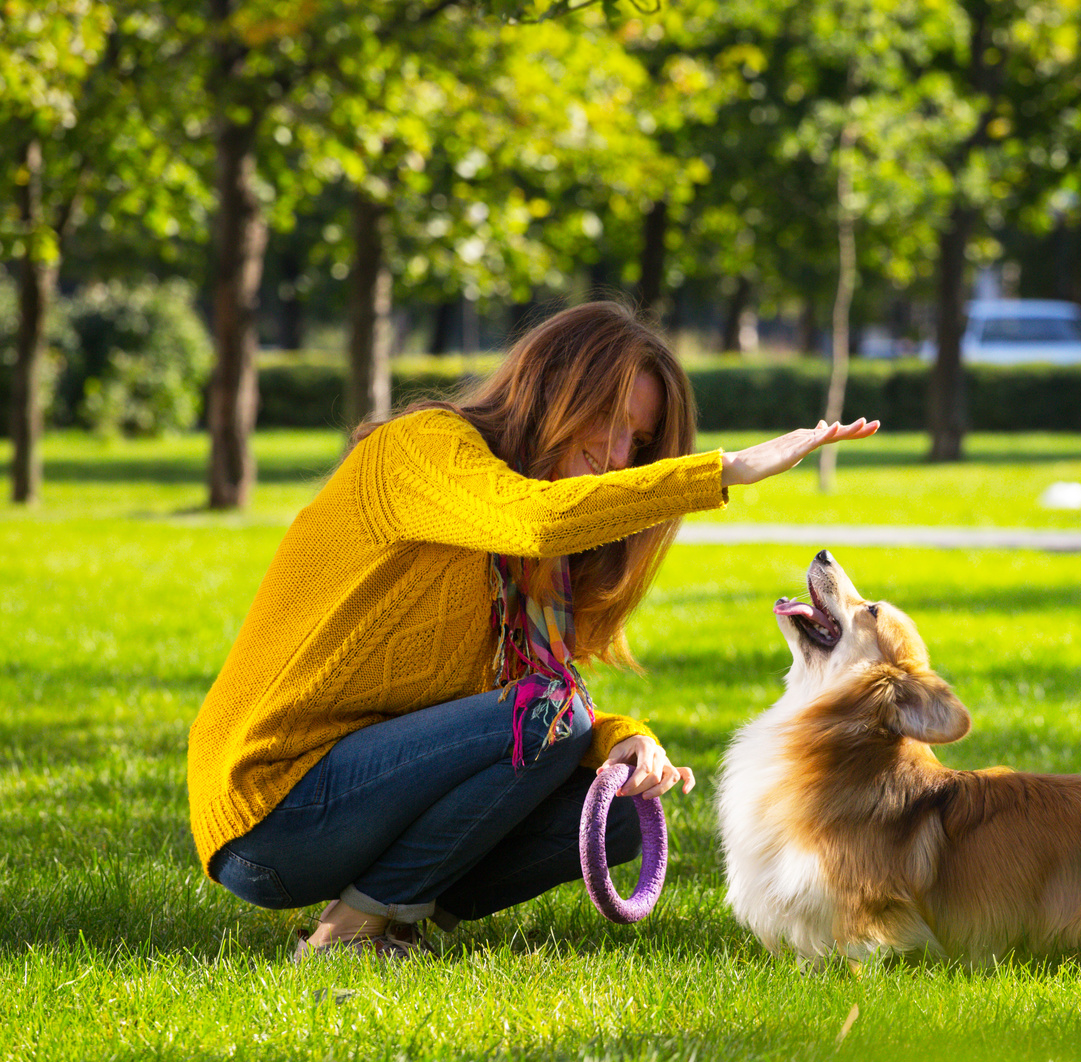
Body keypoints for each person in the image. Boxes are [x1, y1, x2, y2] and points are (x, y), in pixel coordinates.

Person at [187, 301, 878, 958]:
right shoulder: (422, 448)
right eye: (607, 420)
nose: (617, 454)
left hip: (360, 804)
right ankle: (358, 930)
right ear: (551, 388)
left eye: (637, 442)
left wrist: (626, 740)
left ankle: (387, 912)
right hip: (273, 807)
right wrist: (724, 470)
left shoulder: (538, 565)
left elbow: (533, 698)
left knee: (611, 816)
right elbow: (536, 520)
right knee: (549, 714)